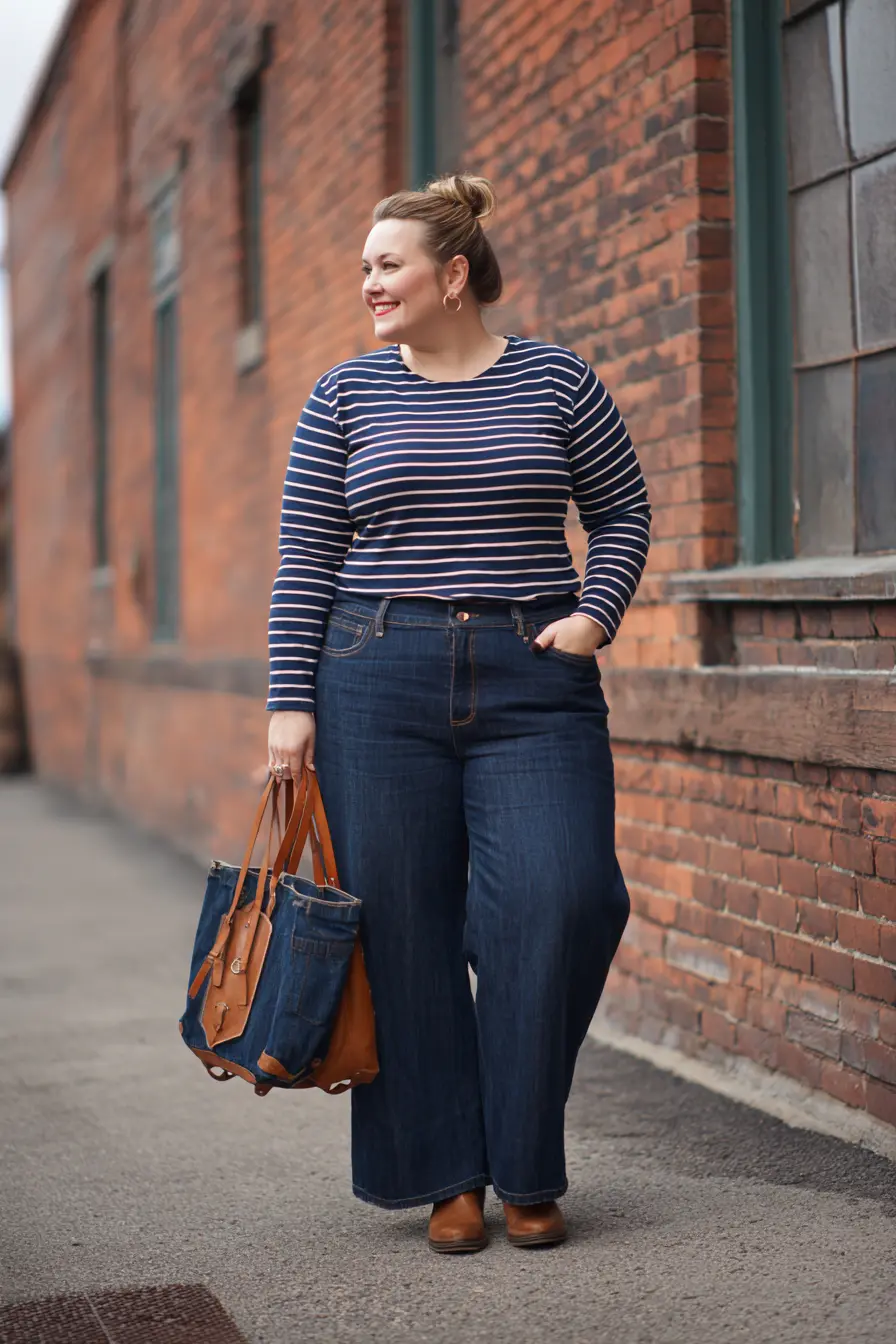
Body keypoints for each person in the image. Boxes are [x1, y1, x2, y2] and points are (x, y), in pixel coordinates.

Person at [266, 173, 651, 1253]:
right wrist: (287, 706)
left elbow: (620, 511)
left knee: (565, 897)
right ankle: (448, 1173)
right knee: (401, 929)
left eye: (385, 265)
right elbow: (306, 559)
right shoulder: (343, 397)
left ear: (451, 273)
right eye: (361, 269)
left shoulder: (558, 380)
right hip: (372, 674)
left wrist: (594, 615)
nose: (368, 284)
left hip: (534, 671)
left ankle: (524, 1155)